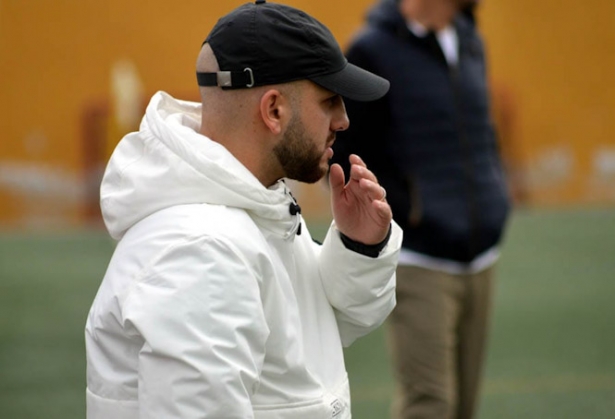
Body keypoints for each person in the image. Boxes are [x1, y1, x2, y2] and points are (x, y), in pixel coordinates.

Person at [84, 1, 403, 418]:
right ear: (273, 110)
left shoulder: (254, 204)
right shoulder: (201, 250)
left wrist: (360, 246)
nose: (343, 120)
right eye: (329, 101)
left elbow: (313, 333)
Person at [330, 0, 511, 418]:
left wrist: (494, 195)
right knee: (429, 405)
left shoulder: (469, 39)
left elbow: (479, 129)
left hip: (481, 252)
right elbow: (342, 147)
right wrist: (397, 211)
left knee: (464, 407)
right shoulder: (372, 50)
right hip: (420, 257)